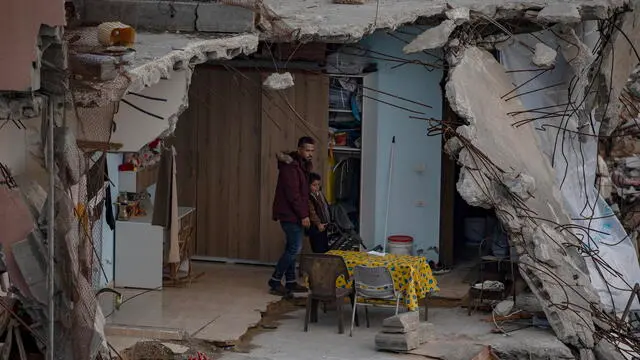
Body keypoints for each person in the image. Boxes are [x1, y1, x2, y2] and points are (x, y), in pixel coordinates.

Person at [269, 136, 316, 296]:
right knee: (295, 248)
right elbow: (293, 195)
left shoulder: (301, 166)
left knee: (291, 247)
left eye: (312, 151)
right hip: (290, 214)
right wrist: (304, 215)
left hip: (294, 213)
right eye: (307, 150)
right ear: (299, 149)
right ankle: (275, 281)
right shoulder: (290, 168)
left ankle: (290, 282)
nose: (310, 154)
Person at [308, 172, 331, 253]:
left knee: (325, 247)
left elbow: (325, 207)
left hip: (324, 225)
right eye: (314, 185)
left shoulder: (319, 194)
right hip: (316, 227)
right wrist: (318, 223)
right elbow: (312, 212)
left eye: (318, 185)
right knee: (318, 248)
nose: (317, 187)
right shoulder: (309, 197)